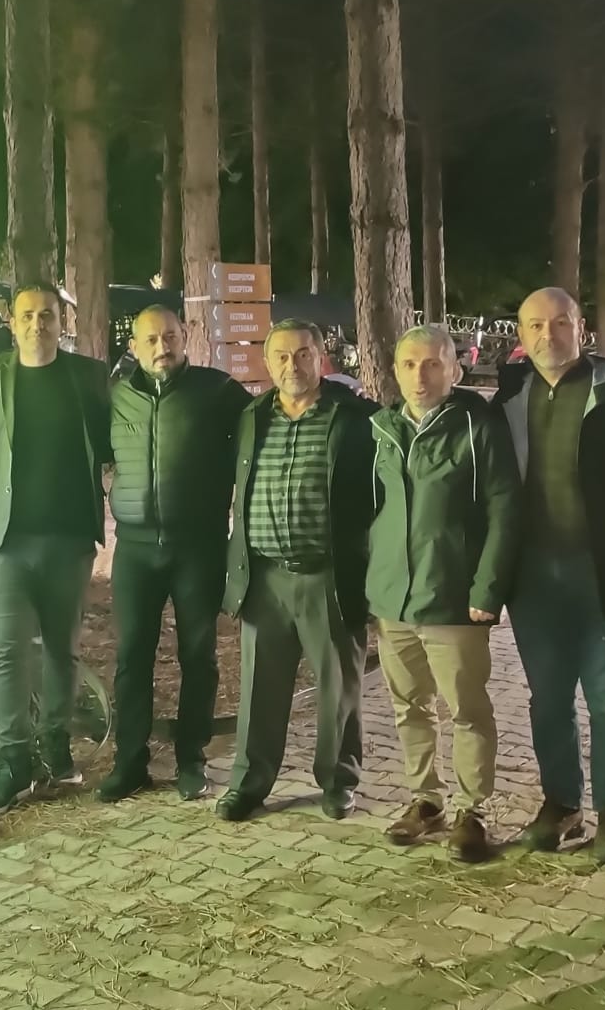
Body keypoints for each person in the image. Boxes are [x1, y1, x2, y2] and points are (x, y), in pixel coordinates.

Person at [0, 283, 113, 815]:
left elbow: (114, 444)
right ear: (12, 323)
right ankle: (14, 760)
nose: (38, 324)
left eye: (47, 315)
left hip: (69, 539)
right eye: (27, 316)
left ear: (61, 322)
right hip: (3, 543)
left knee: (63, 650)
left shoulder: (88, 377)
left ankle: (56, 746)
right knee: (7, 653)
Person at [492, 288, 605, 865]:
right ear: (521, 334)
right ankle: (561, 803)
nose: (547, 335)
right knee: (548, 699)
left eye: (559, 323)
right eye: (535, 325)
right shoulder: (510, 394)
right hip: (535, 578)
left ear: (581, 328)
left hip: (604, 572)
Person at [368, 325, 520, 864]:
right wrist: (373, 585)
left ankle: (472, 810)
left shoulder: (477, 427)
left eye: (432, 364)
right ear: (395, 370)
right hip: (394, 598)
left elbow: (505, 511)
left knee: (467, 709)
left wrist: (487, 588)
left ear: (454, 369)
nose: (420, 376)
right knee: (409, 706)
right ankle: (426, 801)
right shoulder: (381, 428)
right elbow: (371, 510)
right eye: (409, 365)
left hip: (454, 597)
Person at [216, 319, 378, 823]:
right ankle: (249, 783)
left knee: (338, 689)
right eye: (282, 356)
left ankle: (337, 781)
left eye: (303, 354)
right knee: (259, 688)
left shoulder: (354, 417)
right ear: (267, 363)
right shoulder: (251, 417)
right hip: (264, 577)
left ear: (320, 356)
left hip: (328, 576)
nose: (293, 365)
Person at [100, 307, 254, 802]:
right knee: (132, 657)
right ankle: (130, 763)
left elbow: (260, 433)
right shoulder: (117, 396)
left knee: (198, 656)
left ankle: (192, 760)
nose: (161, 347)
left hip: (198, 547)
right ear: (134, 345)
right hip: (135, 549)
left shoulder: (218, 391)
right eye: (150, 339)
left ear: (184, 336)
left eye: (169, 336)